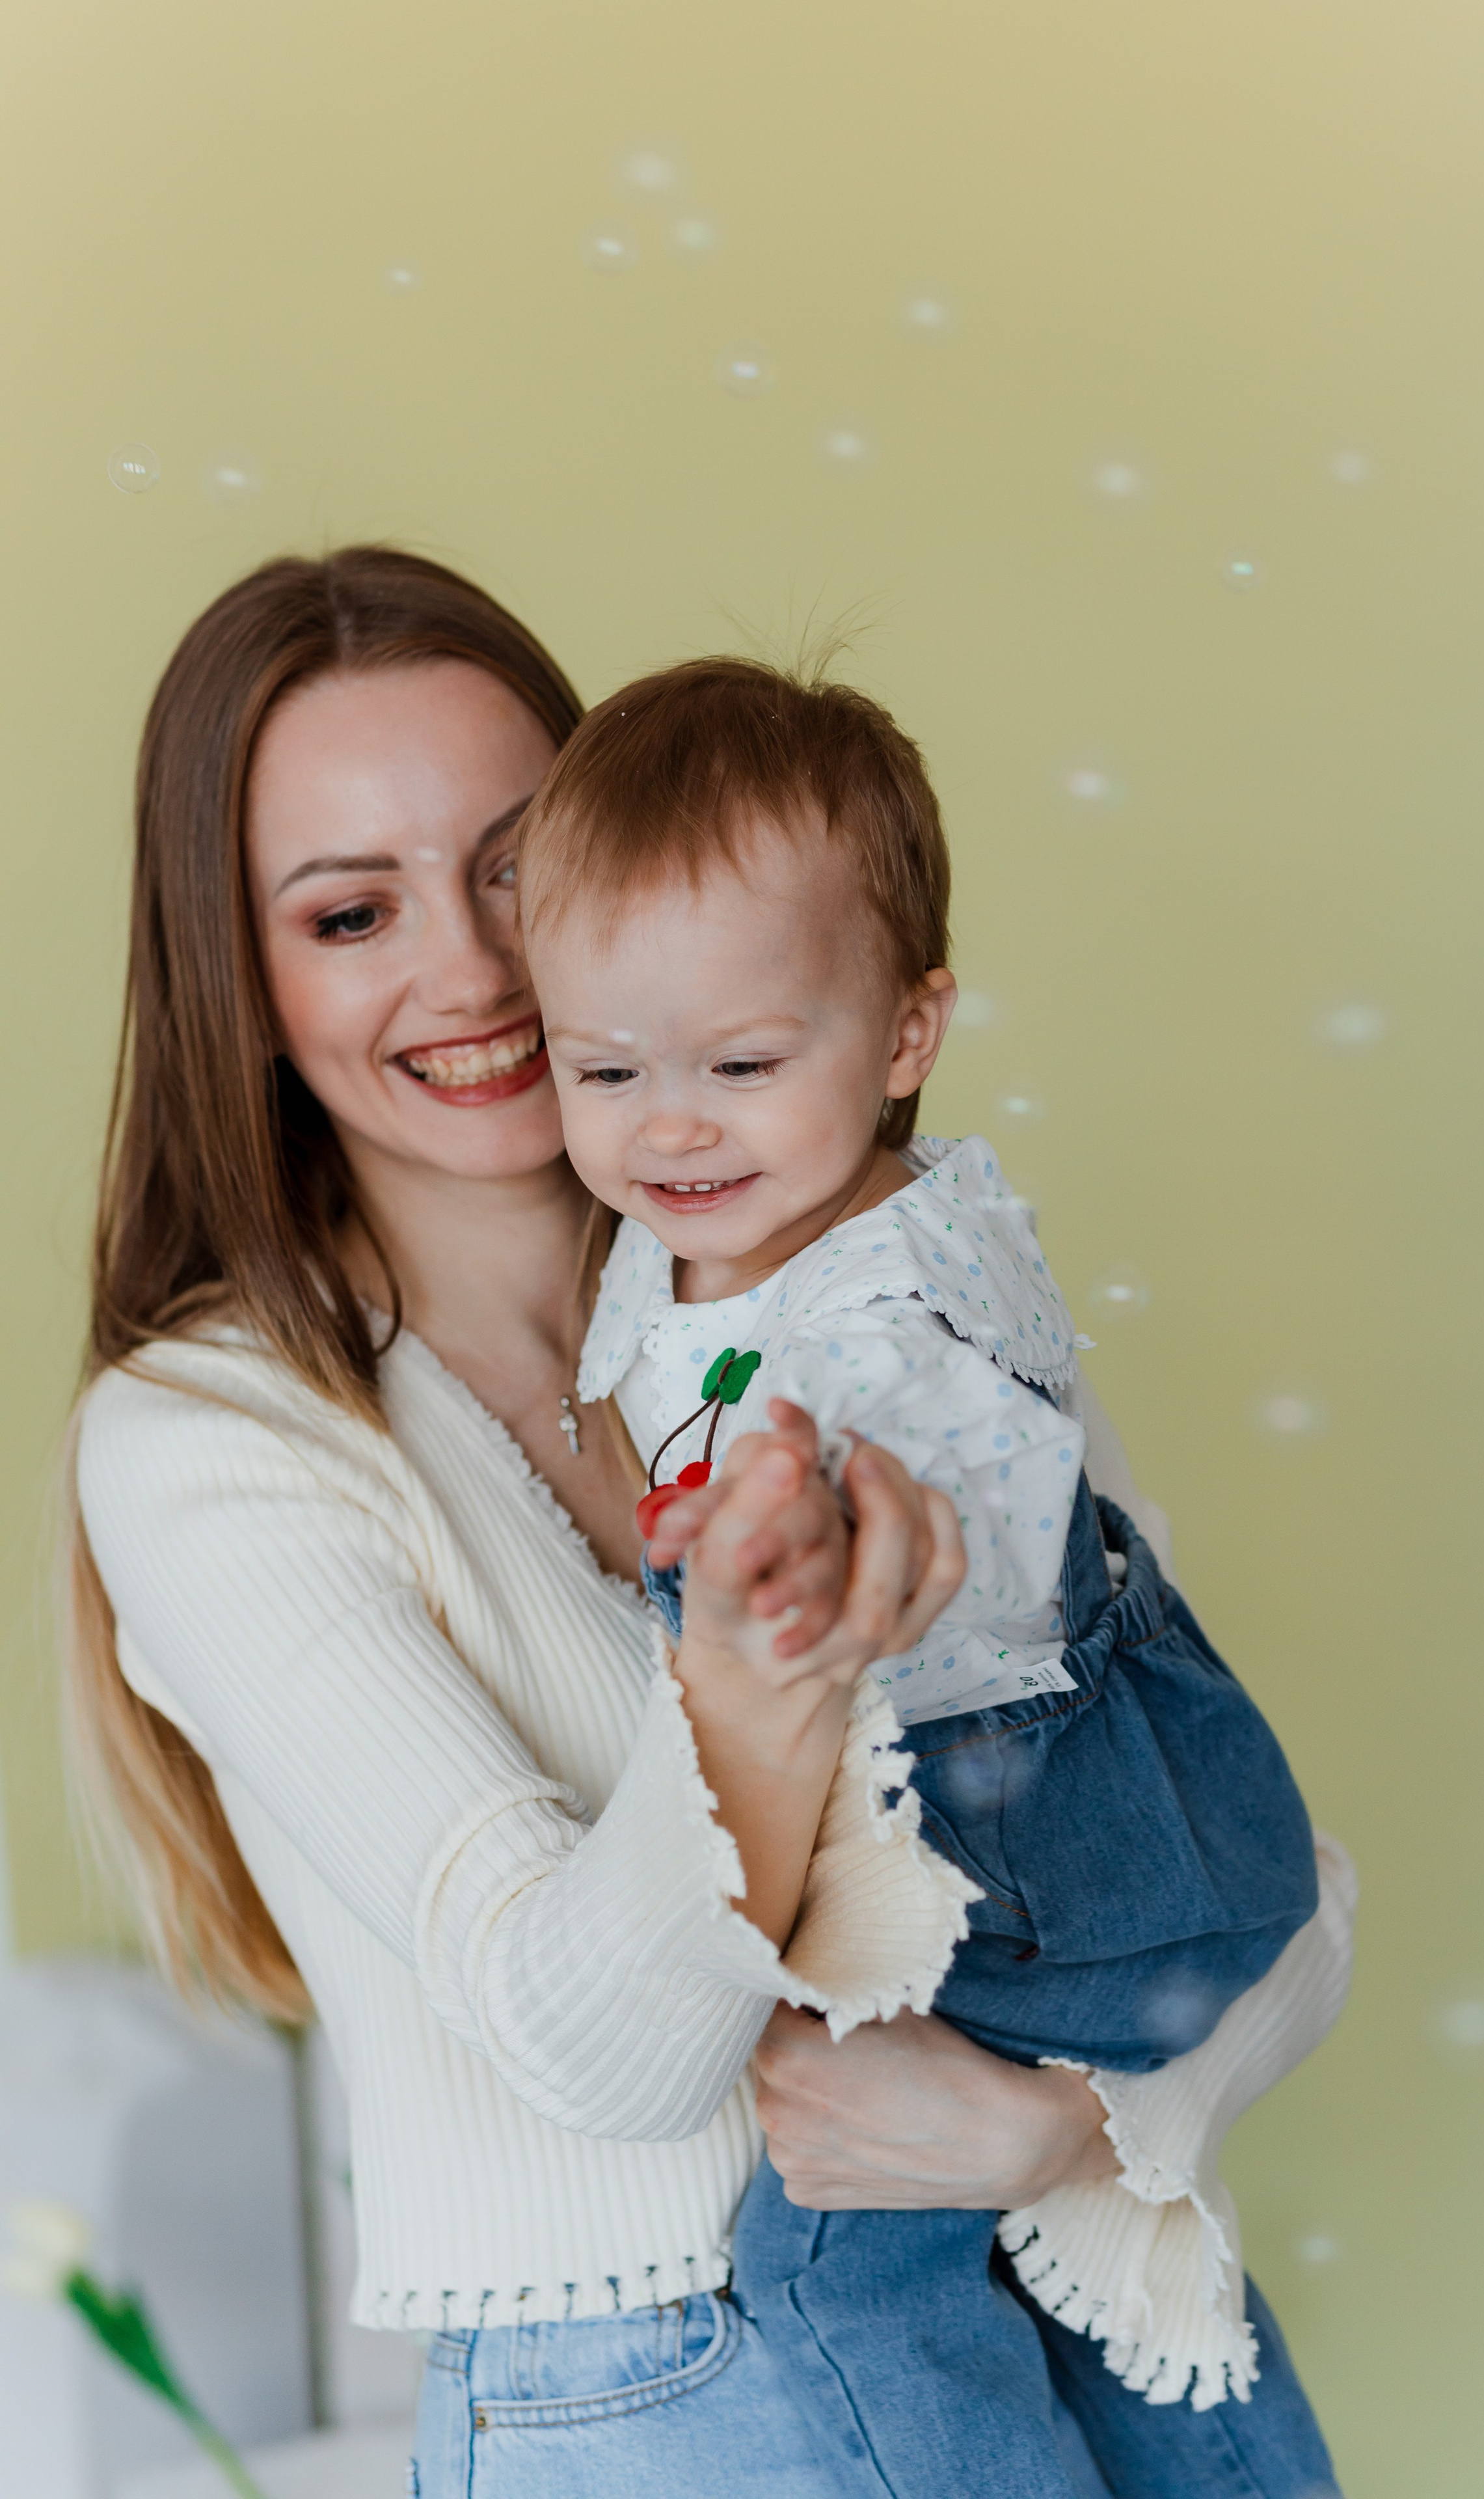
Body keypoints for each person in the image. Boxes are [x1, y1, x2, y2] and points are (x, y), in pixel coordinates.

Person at [66, 547, 1352, 2499]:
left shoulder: (866, 1283)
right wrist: (757, 1695)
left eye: (514, 870)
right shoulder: (208, 1441)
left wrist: (1066, 2135)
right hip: (659, 2396)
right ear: (241, 984)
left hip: (1082, 2289)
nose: (480, 968)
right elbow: (599, 2056)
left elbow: (1277, 1884)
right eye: (348, 913)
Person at [519, 653, 1345, 2498]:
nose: (671, 1129)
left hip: (1038, 1864)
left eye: (742, 1064)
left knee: (829, 2275)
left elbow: (954, 1523)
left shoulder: (896, 1302)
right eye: (606, 1069)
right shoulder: (707, 1245)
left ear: (906, 1035)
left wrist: (785, 1573)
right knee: (1128, 2287)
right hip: (1088, 1876)